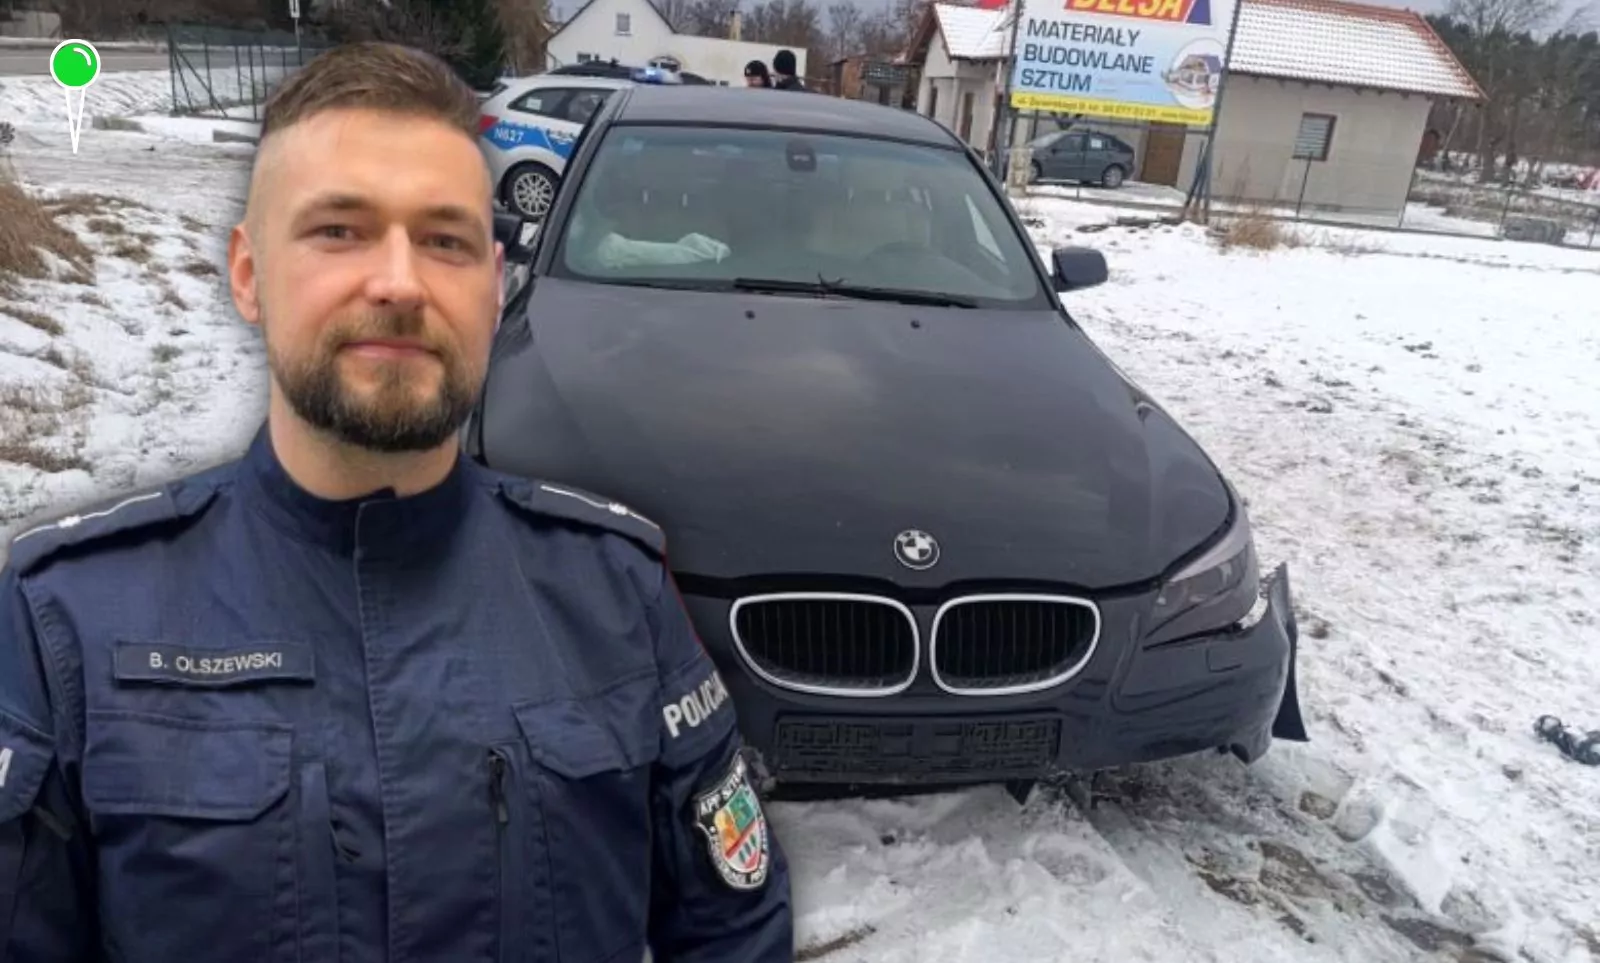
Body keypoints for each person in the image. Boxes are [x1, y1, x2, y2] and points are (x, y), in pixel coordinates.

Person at [0, 41, 793, 963]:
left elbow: (732, 927)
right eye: (339, 229)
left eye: (445, 240)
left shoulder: (614, 595)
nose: (401, 282)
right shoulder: (69, 620)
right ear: (250, 276)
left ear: (495, 288)